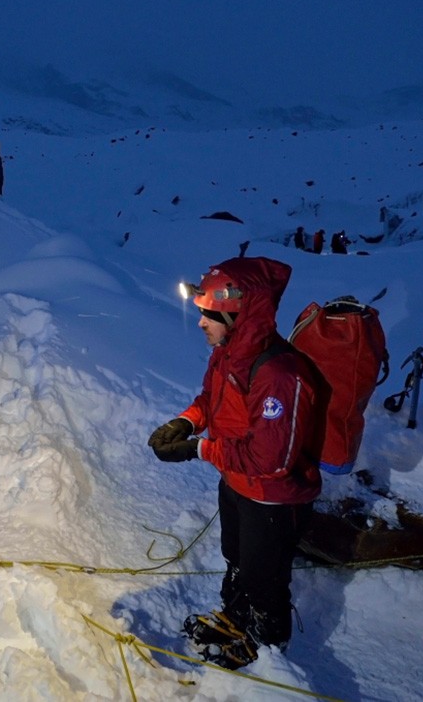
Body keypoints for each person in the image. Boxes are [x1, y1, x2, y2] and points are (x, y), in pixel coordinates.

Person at [149, 256, 322, 668]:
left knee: (265, 578)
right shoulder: (228, 353)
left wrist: (200, 449)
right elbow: (212, 401)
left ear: (236, 313)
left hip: (272, 497)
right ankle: (237, 617)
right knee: (236, 557)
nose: (201, 323)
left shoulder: (279, 373)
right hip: (235, 482)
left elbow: (270, 457)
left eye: (209, 315)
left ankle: (268, 646)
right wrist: (186, 422)